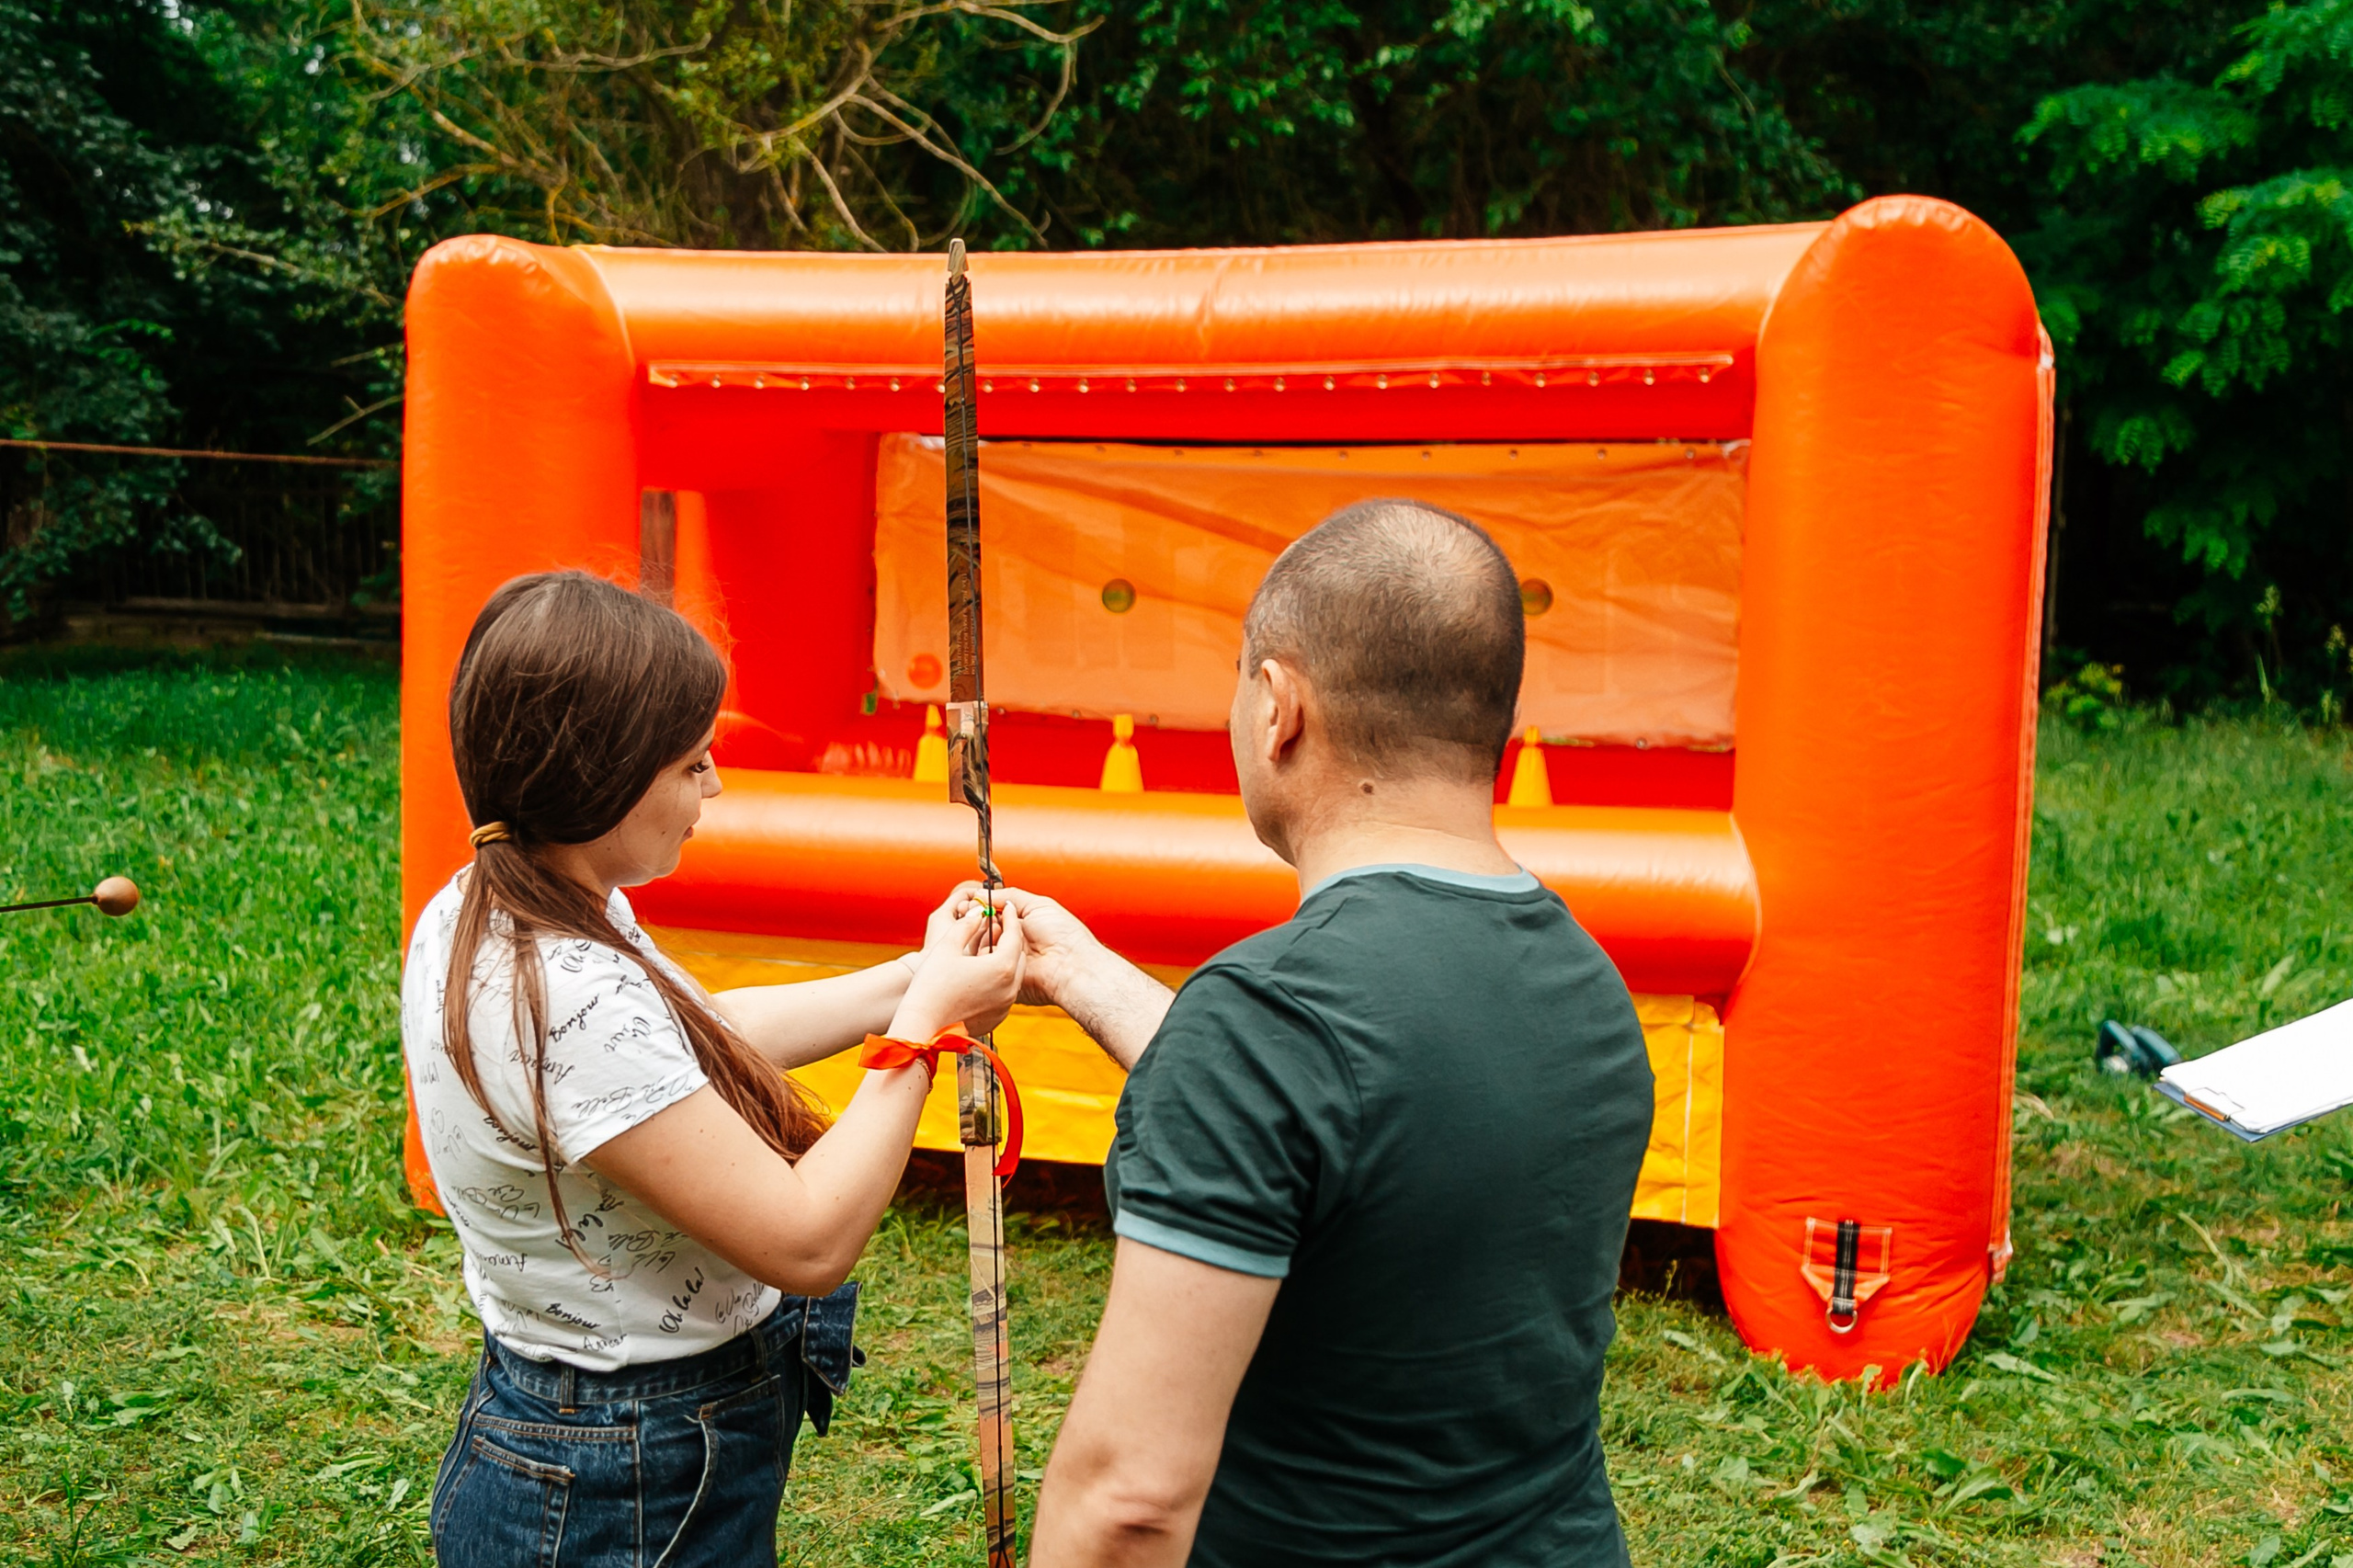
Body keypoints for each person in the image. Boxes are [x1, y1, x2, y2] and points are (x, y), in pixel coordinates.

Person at [1013, 500, 1657, 1568]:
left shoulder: (1266, 1024)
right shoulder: (1583, 978)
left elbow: (1128, 1499)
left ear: (1278, 705)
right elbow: (1358, 1110)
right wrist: (1079, 972)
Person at [402, 571, 1024, 1567]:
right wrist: (922, 1029)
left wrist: (911, 977)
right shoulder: (564, 993)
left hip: (599, 1431)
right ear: (599, 776)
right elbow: (809, 1238)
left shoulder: (505, 891)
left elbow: (680, 1038)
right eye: (693, 763)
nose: (715, 786)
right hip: (626, 1472)